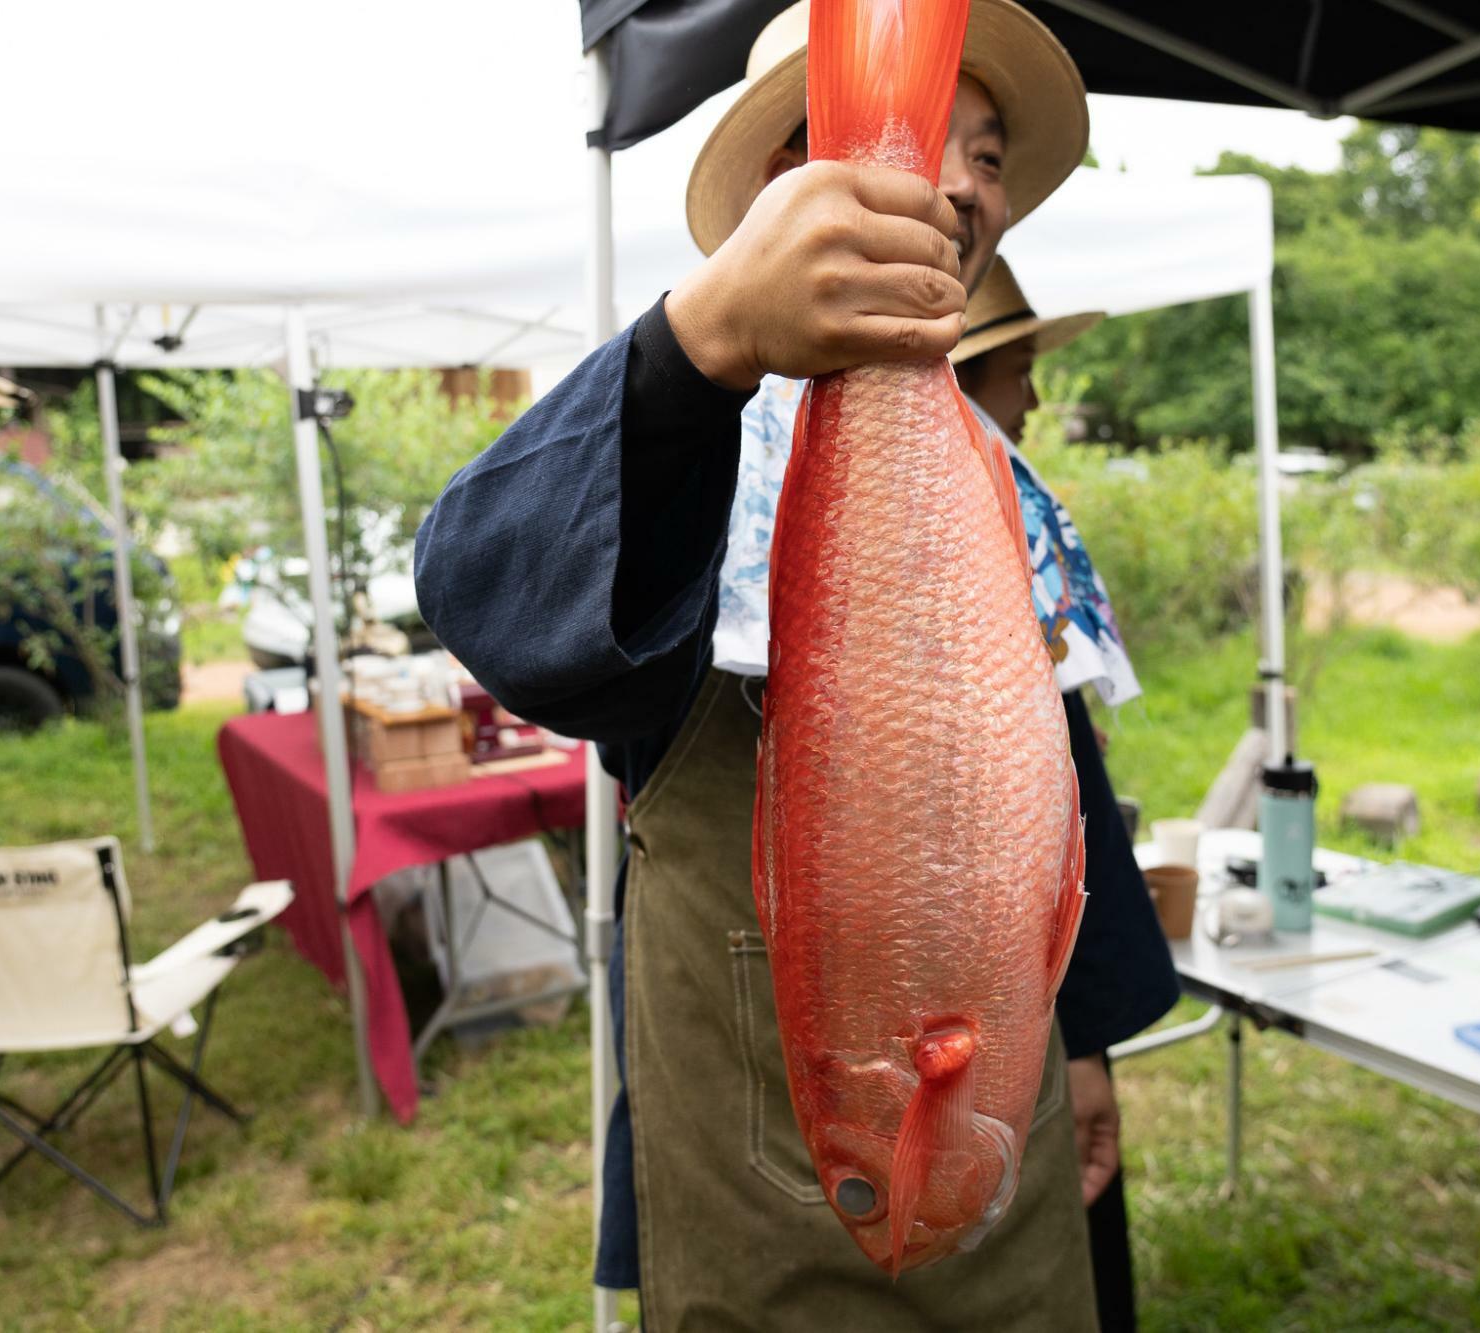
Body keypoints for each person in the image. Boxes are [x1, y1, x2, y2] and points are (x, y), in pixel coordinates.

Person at [416, 4, 1177, 1327]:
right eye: (899, 146)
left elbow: (1051, 790)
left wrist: (1088, 1036)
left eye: (985, 155)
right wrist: (701, 336)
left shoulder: (991, 468)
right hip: (777, 1205)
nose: (952, 187)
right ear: (779, 189)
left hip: (1011, 1133)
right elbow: (483, 585)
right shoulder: (685, 443)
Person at [952, 257, 1152, 1332]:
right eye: (1015, 368)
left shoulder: (1005, 521)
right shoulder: (963, 546)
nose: (1030, 398)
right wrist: (1083, 1043)